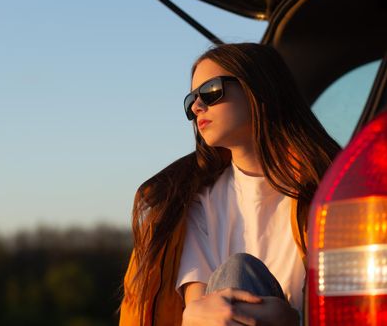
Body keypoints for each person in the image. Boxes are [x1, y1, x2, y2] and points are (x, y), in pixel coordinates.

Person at [119, 43, 341, 326]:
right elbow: (202, 312)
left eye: (212, 92)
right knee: (234, 278)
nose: (198, 107)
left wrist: (294, 320)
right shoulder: (196, 202)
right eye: (191, 101)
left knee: (239, 271)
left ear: (258, 89)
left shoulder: (330, 192)